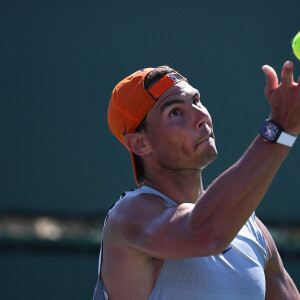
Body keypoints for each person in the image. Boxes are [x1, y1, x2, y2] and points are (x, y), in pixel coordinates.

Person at [93, 61, 300, 299]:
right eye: (175, 112)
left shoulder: (252, 229)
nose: (202, 116)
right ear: (139, 143)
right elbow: (206, 232)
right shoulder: (128, 216)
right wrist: (280, 130)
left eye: (196, 101)